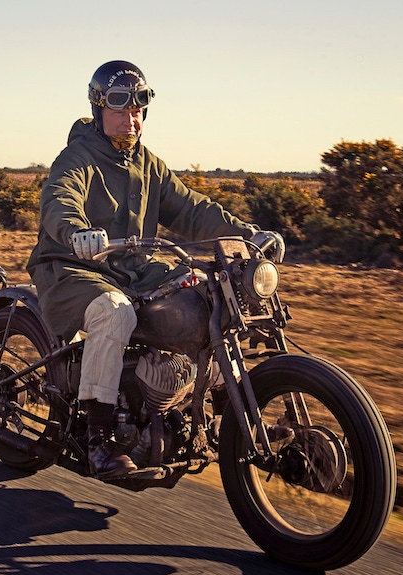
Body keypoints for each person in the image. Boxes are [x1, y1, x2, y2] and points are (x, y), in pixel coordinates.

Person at [26, 60, 284, 479]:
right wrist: (75, 231)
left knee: (210, 293)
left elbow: (190, 208)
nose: (131, 117)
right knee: (115, 311)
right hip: (71, 266)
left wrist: (247, 234)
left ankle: (234, 420)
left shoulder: (147, 163)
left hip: (133, 267)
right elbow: (59, 199)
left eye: (138, 108)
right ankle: (99, 440)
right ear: (98, 107)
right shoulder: (76, 158)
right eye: (120, 107)